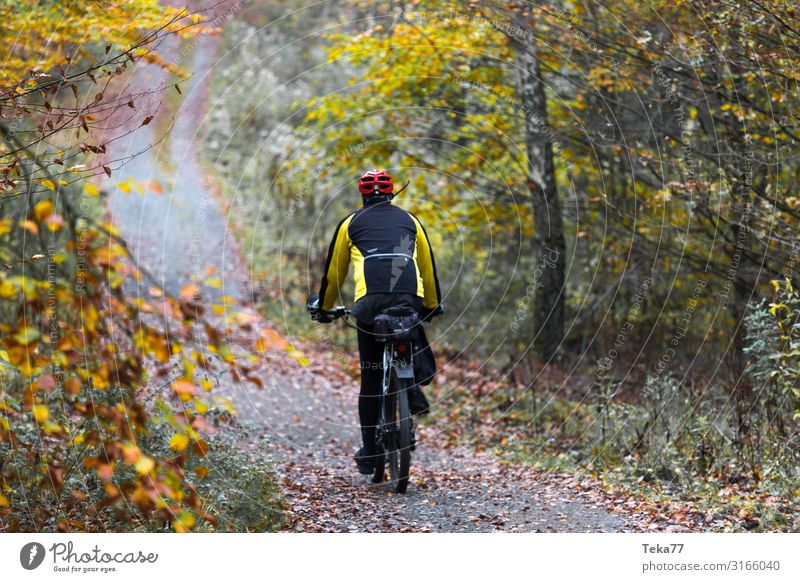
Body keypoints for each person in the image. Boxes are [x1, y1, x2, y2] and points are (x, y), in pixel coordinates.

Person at [308, 169, 443, 474]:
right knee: (410, 324)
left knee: (371, 378)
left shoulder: (350, 223)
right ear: (391, 193)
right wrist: (432, 305)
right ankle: (411, 388)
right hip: (410, 299)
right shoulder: (412, 222)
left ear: (363, 195)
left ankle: (371, 451)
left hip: (369, 305)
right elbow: (428, 268)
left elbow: (334, 273)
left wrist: (324, 308)